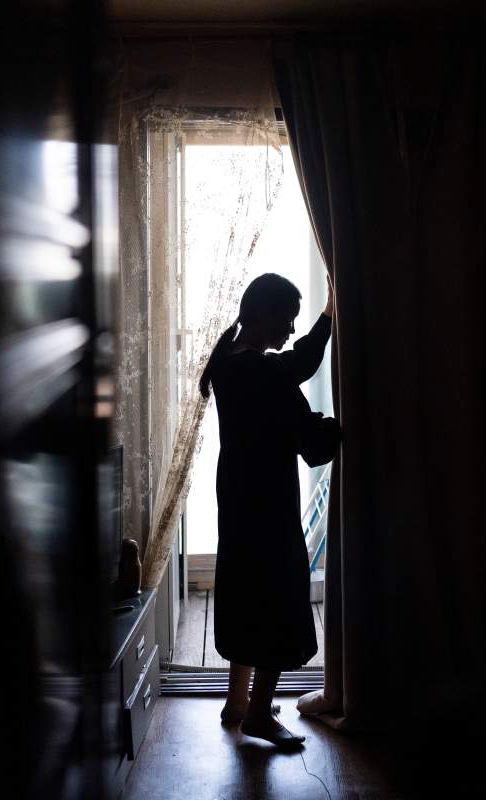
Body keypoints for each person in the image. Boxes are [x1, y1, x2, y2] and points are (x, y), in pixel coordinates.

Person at [198, 272, 340, 748]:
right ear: (260, 315)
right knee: (277, 598)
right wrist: (328, 317)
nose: (290, 330)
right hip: (265, 500)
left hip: (239, 495)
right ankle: (258, 714)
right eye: (286, 319)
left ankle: (238, 703)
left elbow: (288, 370)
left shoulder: (229, 362)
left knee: (246, 593)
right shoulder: (255, 370)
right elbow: (299, 365)